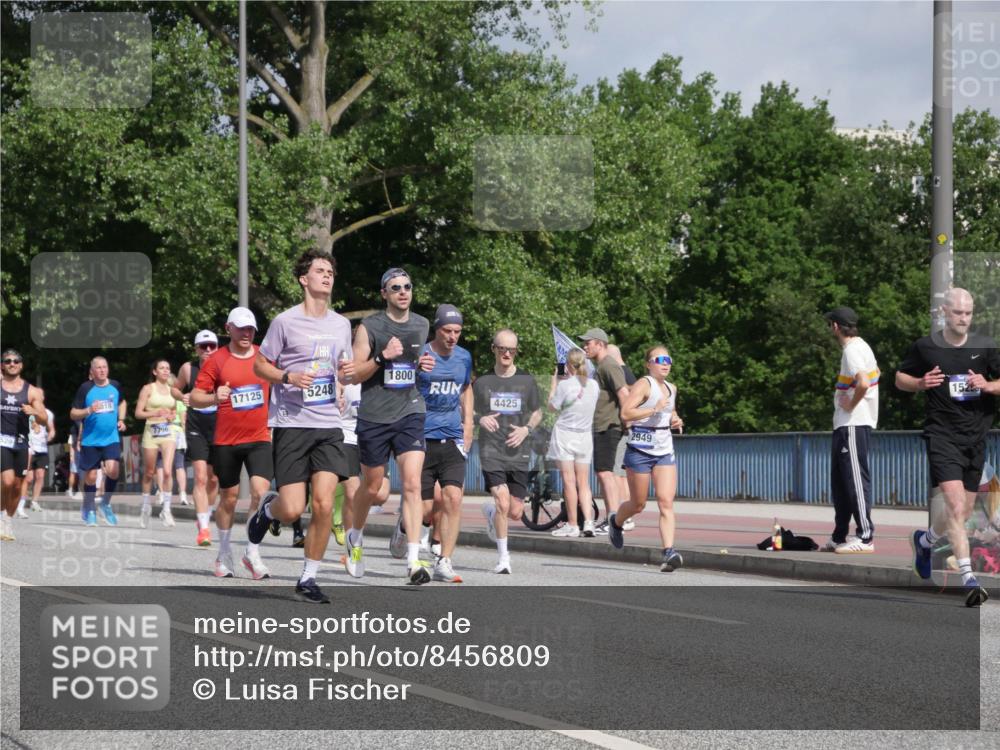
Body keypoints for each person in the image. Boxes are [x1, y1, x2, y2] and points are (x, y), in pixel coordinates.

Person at [249, 248, 353, 603]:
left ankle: (308, 578)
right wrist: (287, 376)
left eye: (330, 272)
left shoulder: (341, 325)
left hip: (328, 423)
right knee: (293, 508)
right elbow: (259, 365)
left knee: (323, 504)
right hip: (292, 423)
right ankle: (269, 509)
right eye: (320, 271)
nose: (327, 276)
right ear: (303, 279)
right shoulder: (285, 322)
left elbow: (341, 368)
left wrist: (342, 384)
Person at [897, 288, 999, 607]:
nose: (963, 318)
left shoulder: (985, 346)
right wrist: (919, 383)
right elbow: (900, 378)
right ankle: (969, 579)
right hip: (941, 435)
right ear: (944, 312)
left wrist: (987, 385)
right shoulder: (926, 347)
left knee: (963, 511)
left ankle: (925, 541)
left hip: (975, 438)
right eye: (957, 313)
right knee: (955, 506)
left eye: (968, 313)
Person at [347, 268, 436, 585]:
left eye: (407, 286)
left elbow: (412, 363)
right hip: (374, 415)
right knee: (372, 487)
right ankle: (355, 537)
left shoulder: (422, 324)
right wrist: (382, 357)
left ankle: (413, 560)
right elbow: (353, 374)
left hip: (410, 410)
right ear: (384, 293)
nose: (403, 292)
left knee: (412, 483)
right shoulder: (369, 327)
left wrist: (422, 365)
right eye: (395, 287)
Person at [193, 306, 273, 579]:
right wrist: (214, 397)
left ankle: (252, 551)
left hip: (260, 437)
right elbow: (195, 398)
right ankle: (224, 551)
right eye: (241, 328)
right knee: (228, 498)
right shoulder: (216, 360)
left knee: (261, 494)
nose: (246, 333)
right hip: (226, 440)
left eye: (250, 329)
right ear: (229, 329)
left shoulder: (264, 356)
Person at [607, 346, 685, 572]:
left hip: (664, 450)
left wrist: (675, 419)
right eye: (659, 359)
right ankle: (616, 522)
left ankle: (668, 552)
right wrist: (653, 410)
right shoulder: (644, 384)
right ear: (648, 364)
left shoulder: (671, 388)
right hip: (640, 450)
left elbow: (669, 412)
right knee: (638, 504)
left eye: (668, 359)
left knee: (666, 502)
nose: (665, 363)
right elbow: (626, 413)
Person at [412, 304, 473, 582]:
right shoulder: (421, 354)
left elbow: (466, 388)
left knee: (453, 498)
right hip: (421, 436)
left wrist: (468, 424)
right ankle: (405, 527)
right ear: (436, 329)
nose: (452, 336)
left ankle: (444, 560)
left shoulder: (464, 357)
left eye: (457, 331)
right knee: (425, 509)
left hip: (452, 436)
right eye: (447, 330)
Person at [474, 328, 542, 574]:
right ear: (493, 349)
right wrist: (480, 419)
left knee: (514, 511)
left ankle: (492, 513)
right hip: (491, 449)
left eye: (511, 350)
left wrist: (526, 429)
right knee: (503, 500)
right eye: (502, 348)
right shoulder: (482, 382)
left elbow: (537, 411)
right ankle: (504, 558)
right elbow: (467, 410)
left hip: (518, 450)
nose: (506, 354)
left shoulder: (526, 381)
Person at [822, 306, 880, 553]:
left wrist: (852, 403)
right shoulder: (862, 346)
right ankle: (839, 536)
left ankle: (865, 537)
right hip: (845, 424)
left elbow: (864, 382)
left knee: (855, 480)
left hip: (853, 423)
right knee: (841, 483)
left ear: (835, 326)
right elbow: (876, 374)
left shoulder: (852, 350)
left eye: (830, 325)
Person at [172, 330, 222, 546]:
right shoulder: (188, 369)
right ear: (196, 349)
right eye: (203, 346)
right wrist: (182, 396)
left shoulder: (224, 367)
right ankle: (204, 528)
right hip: (196, 426)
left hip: (219, 425)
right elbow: (175, 389)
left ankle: (205, 515)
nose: (208, 350)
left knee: (214, 479)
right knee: (200, 477)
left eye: (212, 346)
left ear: (217, 347)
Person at [579, 328, 631, 534]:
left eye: (588, 343)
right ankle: (613, 519)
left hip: (609, 426)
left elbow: (624, 393)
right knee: (604, 473)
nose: (584, 347)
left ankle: (614, 520)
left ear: (600, 344)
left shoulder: (608, 365)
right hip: (601, 426)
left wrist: (627, 423)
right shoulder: (600, 366)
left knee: (606, 473)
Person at [546, 348, 598, 537]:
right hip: (584, 436)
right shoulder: (594, 385)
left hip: (565, 435)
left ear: (568, 365)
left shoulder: (564, 386)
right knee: (584, 482)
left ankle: (573, 524)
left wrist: (555, 383)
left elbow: (552, 407)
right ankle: (589, 522)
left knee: (569, 481)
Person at [332, 380, 390, 547]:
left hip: (373, 439)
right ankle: (353, 544)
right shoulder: (345, 376)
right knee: (352, 493)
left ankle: (338, 500)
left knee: (380, 494)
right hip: (347, 437)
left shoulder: (379, 377)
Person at [69, 357, 126, 527]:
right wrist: (88, 410)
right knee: (91, 477)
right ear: (92, 371)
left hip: (111, 438)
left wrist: (121, 419)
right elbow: (73, 413)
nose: (102, 370)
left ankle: (105, 503)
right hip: (90, 440)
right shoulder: (85, 388)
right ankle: (90, 508)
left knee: (113, 470)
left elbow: (122, 402)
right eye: (98, 368)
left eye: (104, 367)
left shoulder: (115, 386)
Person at [1, 350, 47, 541]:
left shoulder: (31, 391)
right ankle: (1, 515)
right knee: (7, 481)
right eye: (7, 361)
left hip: (20, 442)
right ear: (2, 365)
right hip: (1, 440)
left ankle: (7, 521)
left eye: (15, 361)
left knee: (18, 485)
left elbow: (44, 419)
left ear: (21, 365)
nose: (12, 363)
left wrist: (34, 412)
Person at [135, 359, 179, 528]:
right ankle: (146, 506)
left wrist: (172, 415)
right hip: (151, 432)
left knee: (167, 471)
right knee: (149, 472)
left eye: (168, 368)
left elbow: (174, 410)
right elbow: (138, 413)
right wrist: (155, 412)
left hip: (168, 432)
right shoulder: (148, 389)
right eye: (162, 368)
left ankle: (166, 510)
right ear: (155, 372)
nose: (166, 370)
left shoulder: (173, 389)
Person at [607, 343, 637, 514]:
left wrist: (627, 424)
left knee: (616, 473)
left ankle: (622, 514)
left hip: (624, 429)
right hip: (629, 429)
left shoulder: (620, 374)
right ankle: (625, 513)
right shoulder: (628, 373)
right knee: (621, 474)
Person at [20, 403, 55, 515]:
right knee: (28, 478)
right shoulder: (27, 411)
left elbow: (51, 429)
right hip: (29, 447)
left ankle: (34, 502)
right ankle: (21, 503)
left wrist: (51, 434)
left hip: (42, 449)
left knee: (40, 476)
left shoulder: (47, 413)